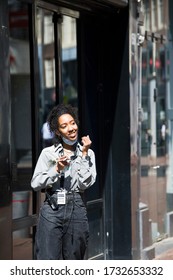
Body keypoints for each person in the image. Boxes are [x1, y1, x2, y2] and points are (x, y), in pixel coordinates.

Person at [31, 104, 96, 260]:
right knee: (48, 260)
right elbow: (35, 183)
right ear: (58, 132)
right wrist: (56, 169)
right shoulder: (48, 153)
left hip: (77, 208)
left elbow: (83, 184)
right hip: (52, 209)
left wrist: (84, 155)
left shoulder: (88, 153)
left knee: (74, 261)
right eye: (64, 126)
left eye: (72, 123)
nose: (71, 128)